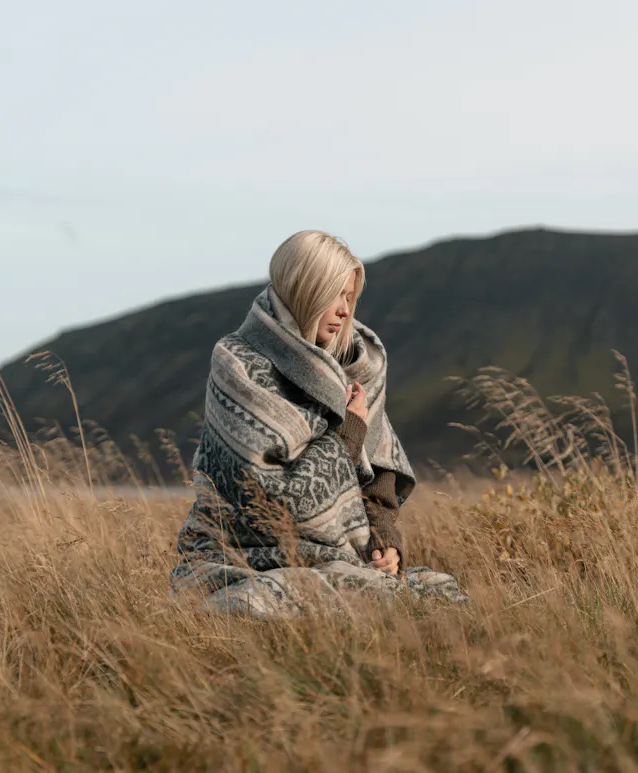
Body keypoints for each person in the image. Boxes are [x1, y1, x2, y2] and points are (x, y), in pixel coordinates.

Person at [170, 230, 466, 618]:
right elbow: (269, 500)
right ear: (304, 289)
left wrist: (384, 545)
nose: (345, 310)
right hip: (240, 552)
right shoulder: (239, 365)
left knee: (439, 596)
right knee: (267, 600)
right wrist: (349, 431)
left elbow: (377, 484)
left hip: (341, 554)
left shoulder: (358, 368)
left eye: (350, 297)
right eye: (335, 295)